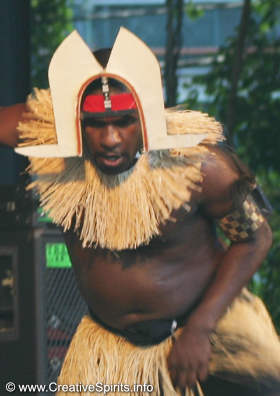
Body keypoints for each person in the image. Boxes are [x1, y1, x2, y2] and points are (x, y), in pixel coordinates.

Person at [2, 29, 280, 396]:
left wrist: (201, 327)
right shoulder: (47, 140)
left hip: (211, 335)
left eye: (124, 121)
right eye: (97, 124)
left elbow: (254, 237)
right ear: (74, 121)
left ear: (147, 114)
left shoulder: (198, 164)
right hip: (109, 347)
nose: (111, 139)